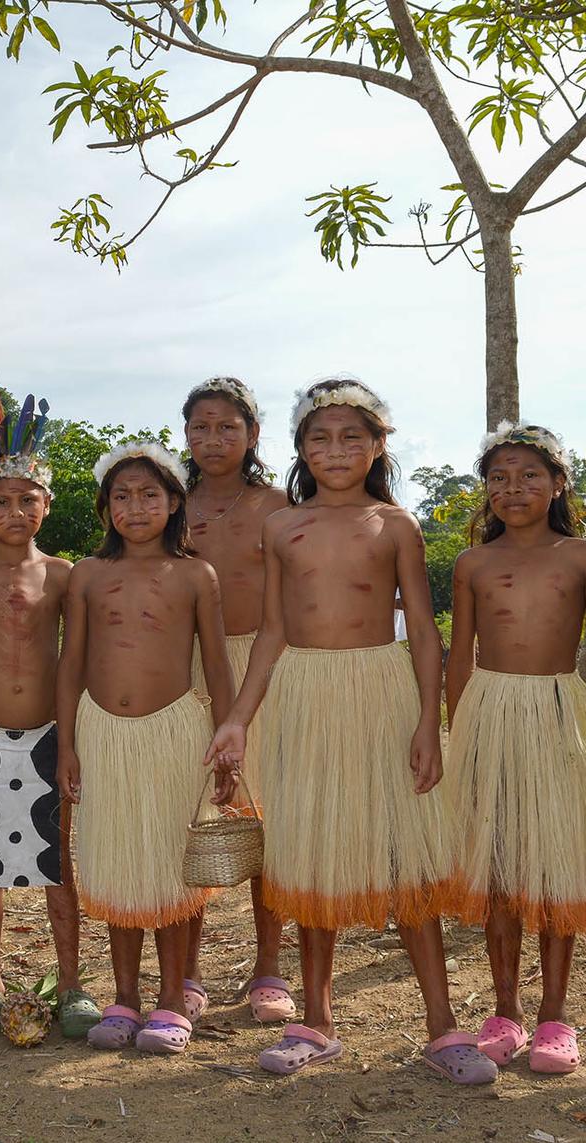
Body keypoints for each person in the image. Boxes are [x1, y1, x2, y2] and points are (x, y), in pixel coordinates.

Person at [207, 377, 485, 1081]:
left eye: (352, 436)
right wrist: (238, 717)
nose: (336, 449)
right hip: (305, 692)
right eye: (321, 437)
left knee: (409, 854)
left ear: (377, 445)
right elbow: (272, 630)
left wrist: (430, 719)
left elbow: (423, 630)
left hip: (380, 688)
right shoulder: (283, 526)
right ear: (299, 447)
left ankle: (443, 1025)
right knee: (313, 850)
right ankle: (318, 1021)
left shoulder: (394, 524)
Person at [442, 422, 586, 1076]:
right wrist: (456, 736)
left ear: (558, 483)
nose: (512, 488)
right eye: (498, 478)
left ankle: (554, 1014)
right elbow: (459, 657)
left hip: (558, 711)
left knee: (555, 863)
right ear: (486, 491)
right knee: (498, 869)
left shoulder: (583, 556)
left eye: (528, 475)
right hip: (489, 714)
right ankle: (504, 1009)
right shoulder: (474, 564)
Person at [0, 365, 101, 1041]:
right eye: (0, 501)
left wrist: (71, 743)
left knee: (58, 857)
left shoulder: (64, 575)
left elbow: (77, 662)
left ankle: (70, 982)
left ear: (46, 503)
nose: (14, 512)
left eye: (27, 499)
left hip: (48, 734)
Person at [62, 438, 235, 1056]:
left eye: (149, 495)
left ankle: (170, 999)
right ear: (106, 507)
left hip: (176, 733)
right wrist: (69, 746)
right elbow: (71, 664)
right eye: (122, 497)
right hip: (103, 732)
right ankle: (125, 997)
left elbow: (216, 664)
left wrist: (226, 740)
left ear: (174, 502)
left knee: (170, 862)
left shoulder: (194, 573)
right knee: (117, 859)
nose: (135, 507)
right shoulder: (87, 573)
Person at [178, 376, 293, 1025]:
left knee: (265, 816)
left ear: (252, 433)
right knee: (189, 814)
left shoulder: (277, 505)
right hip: (190, 669)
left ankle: (269, 967)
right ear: (186, 434)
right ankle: (187, 971)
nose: (213, 438)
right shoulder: (172, 506)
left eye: (228, 426)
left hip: (266, 665)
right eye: (201, 426)